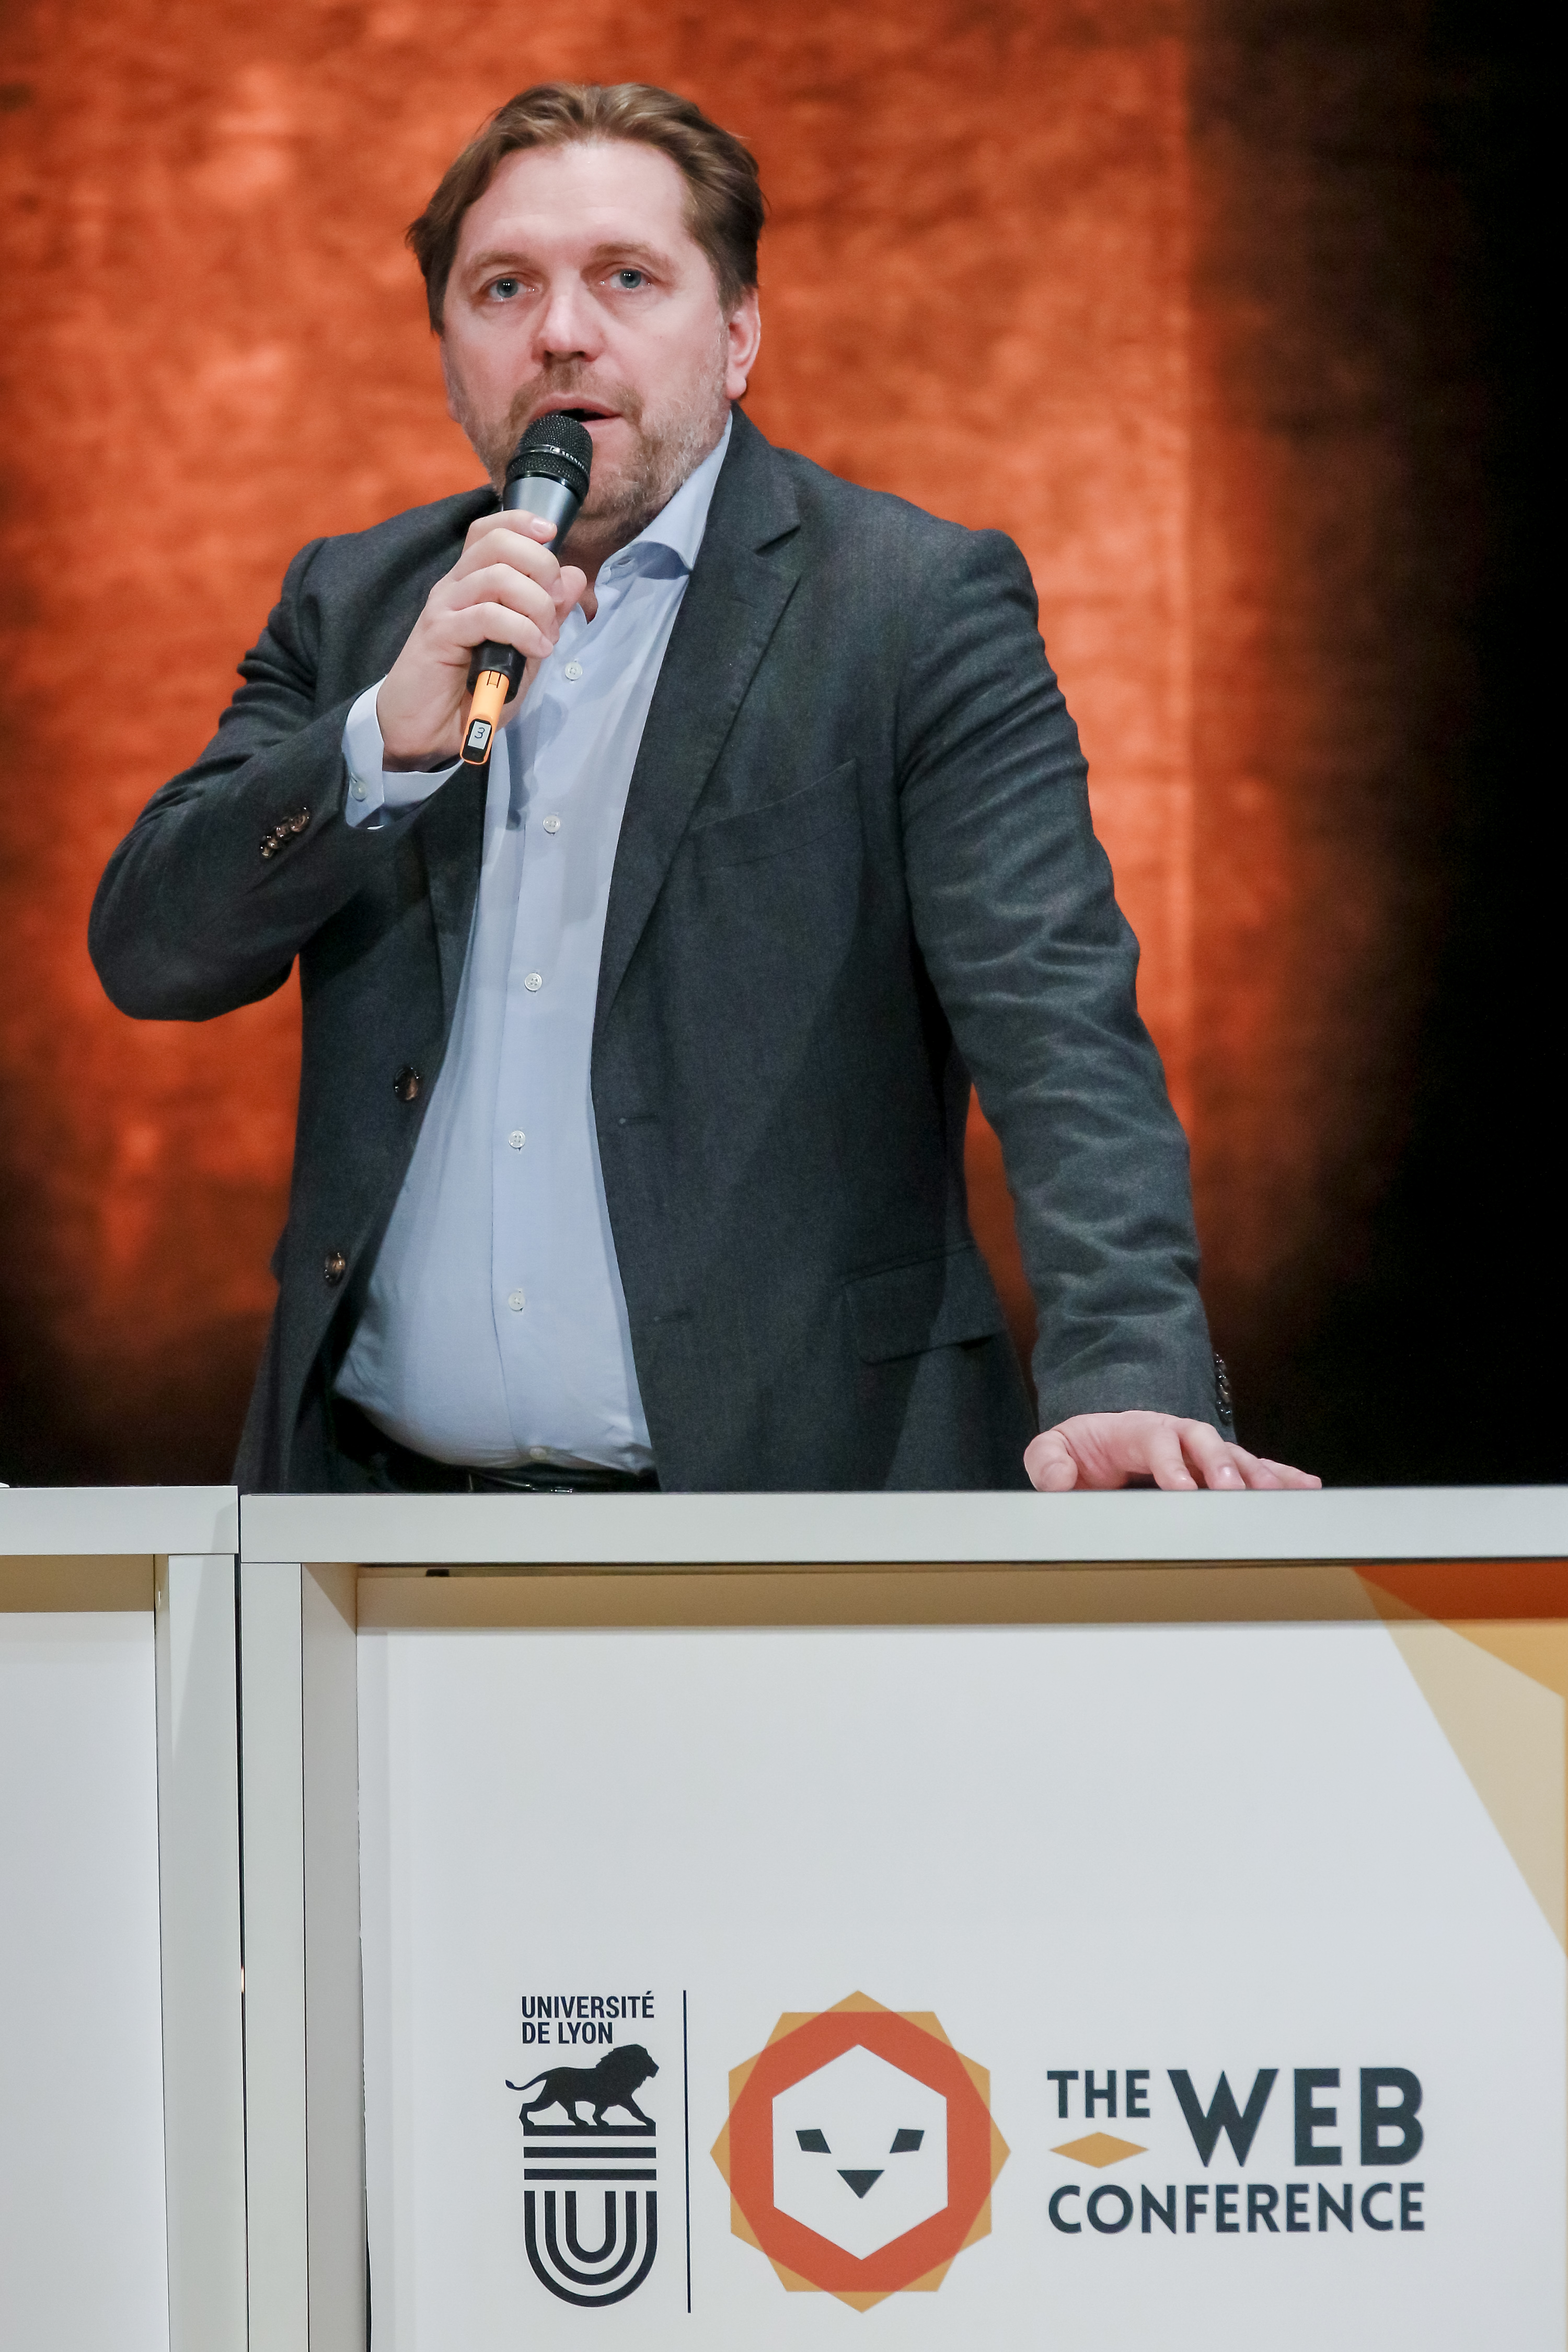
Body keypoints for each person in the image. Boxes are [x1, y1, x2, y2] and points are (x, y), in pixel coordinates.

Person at [89, 81, 1318, 1500]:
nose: (562, 331)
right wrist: (376, 745)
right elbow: (152, 950)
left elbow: (1057, 1022)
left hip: (792, 1519)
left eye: (627, 277)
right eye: (504, 288)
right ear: (449, 355)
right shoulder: (360, 605)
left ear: (738, 335)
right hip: (375, 1524)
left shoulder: (909, 608)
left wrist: (1129, 1368)